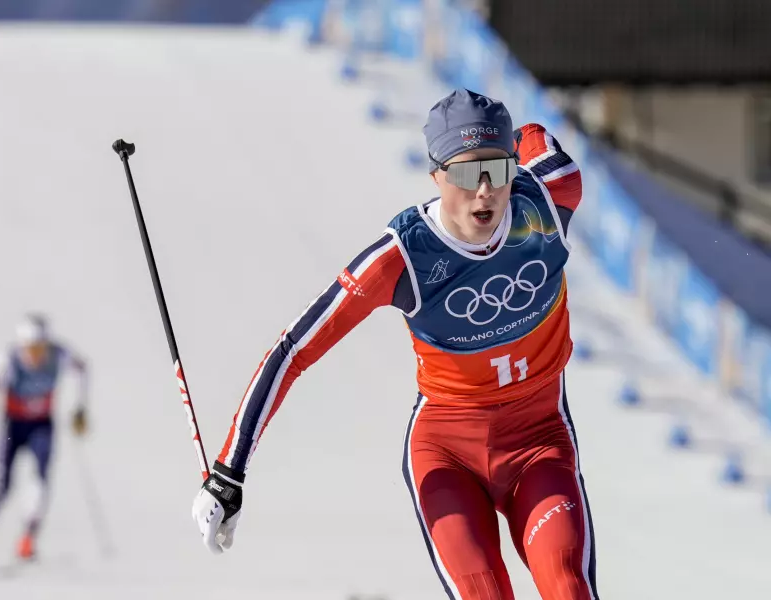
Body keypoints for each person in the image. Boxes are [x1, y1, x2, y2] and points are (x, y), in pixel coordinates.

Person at [192, 88, 598, 600]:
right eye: (468, 174)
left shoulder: (549, 197)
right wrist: (229, 471)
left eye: (498, 169)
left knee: (567, 587)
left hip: (540, 441)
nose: (486, 192)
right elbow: (293, 351)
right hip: (449, 454)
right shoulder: (403, 257)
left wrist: (520, 140)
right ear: (435, 176)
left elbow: (537, 139)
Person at [0, 313, 89, 566]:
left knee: (40, 480)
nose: (35, 355)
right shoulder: (7, 359)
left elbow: (82, 370)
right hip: (12, 425)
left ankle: (28, 536)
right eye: (30, 348)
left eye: (40, 348)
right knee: (1, 484)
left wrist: (80, 409)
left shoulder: (58, 355)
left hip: (41, 425)